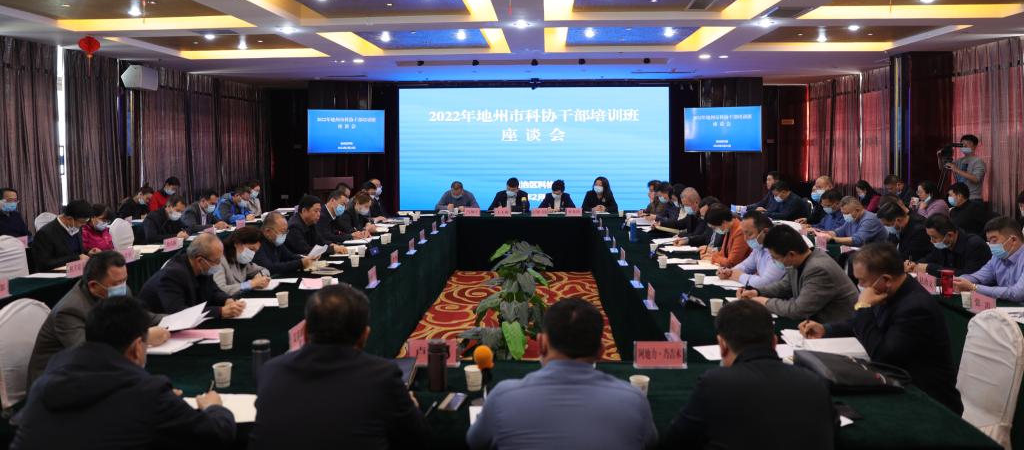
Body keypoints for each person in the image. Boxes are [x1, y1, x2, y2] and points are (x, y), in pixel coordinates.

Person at [11, 297, 235, 450]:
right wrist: (214, 408)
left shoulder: (49, 376)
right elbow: (216, 435)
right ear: (137, 347)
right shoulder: (148, 393)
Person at [250, 283, 427, 449]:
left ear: (304, 332)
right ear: (364, 336)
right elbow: (418, 438)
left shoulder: (270, 370)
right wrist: (412, 407)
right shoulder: (383, 376)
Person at [467, 298, 657, 450]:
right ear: (601, 351)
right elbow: (651, 442)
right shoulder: (634, 400)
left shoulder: (503, 396)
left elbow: (474, 442)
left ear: (541, 344)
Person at [800, 242, 963, 414]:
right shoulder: (888, 291)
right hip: (897, 382)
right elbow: (863, 324)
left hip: (929, 400)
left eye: (862, 281)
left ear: (886, 279)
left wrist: (862, 306)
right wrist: (826, 330)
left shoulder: (916, 307)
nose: (860, 286)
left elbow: (883, 355)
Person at [660, 300, 837, 450]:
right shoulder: (815, 382)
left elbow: (675, 441)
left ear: (722, 345)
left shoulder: (715, 383)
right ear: (774, 342)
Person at [26, 251, 169, 386]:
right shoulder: (69, 311)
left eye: (124, 280)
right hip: (57, 382)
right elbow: (89, 354)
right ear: (93, 286)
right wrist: (143, 337)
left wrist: (176, 319)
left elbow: (142, 316)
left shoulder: (121, 291)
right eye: (116, 283)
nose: (123, 287)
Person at [738, 225, 858, 323]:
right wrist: (757, 292)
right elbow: (784, 286)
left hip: (838, 331)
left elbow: (798, 310)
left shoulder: (818, 269)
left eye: (776, 258)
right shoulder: (800, 260)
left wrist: (764, 302)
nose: (774, 261)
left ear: (791, 254)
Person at [138, 233, 246, 319]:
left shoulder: (203, 268)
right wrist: (220, 311)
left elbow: (213, 291)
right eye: (217, 261)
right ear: (200, 260)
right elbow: (179, 312)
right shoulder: (172, 275)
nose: (219, 264)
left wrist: (227, 300)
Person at [954, 217, 1024, 302]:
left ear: (1013, 240)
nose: (991, 245)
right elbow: (978, 277)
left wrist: (974, 287)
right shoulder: (997, 258)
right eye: (989, 241)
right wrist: (958, 281)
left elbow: (1018, 294)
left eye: (994, 240)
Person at [718, 211, 786, 288]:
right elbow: (745, 266)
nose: (745, 239)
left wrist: (739, 276)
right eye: (744, 234)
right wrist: (728, 272)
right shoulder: (759, 247)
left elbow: (765, 283)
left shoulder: (778, 249)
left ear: (765, 232)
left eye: (749, 234)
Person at [907, 214, 990, 277]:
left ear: (950, 235)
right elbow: (931, 258)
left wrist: (930, 268)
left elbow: (968, 275)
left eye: (934, 237)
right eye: (930, 237)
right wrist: (914, 264)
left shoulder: (975, 245)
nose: (931, 241)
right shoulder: (943, 244)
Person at [31, 200, 93, 272]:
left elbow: (74, 251)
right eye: (82, 222)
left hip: (76, 272)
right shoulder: (45, 233)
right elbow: (44, 264)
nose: (84, 225)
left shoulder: (76, 228)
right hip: (55, 275)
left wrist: (88, 252)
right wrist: (76, 258)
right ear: (70, 219)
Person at [214, 226, 271, 297]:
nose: (252, 254)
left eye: (255, 251)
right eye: (251, 249)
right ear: (237, 243)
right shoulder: (219, 260)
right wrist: (250, 284)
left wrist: (261, 277)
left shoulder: (241, 259)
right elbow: (220, 291)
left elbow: (263, 270)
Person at [819, 196, 887, 247]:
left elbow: (858, 240)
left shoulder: (869, 220)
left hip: (876, 256)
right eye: (843, 213)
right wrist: (824, 233)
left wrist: (832, 239)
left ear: (857, 210)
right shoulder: (852, 219)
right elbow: (839, 232)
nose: (845, 216)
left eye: (847, 213)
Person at [945, 134, 986, 201]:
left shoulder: (978, 161)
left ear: (975, 146)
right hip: (960, 199)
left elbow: (976, 179)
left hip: (973, 198)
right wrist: (940, 158)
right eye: (962, 144)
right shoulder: (959, 161)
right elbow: (944, 168)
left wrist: (956, 169)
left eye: (968, 144)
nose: (964, 146)